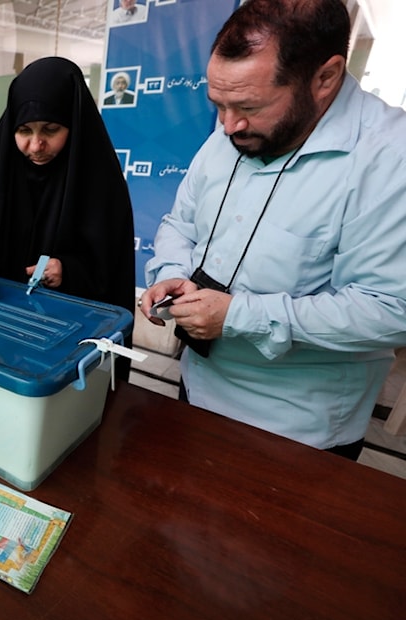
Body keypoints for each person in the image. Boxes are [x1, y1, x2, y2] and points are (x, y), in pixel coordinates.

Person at [139, 0, 406, 457]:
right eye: (218, 105)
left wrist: (239, 317)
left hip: (296, 428)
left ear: (325, 78)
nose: (227, 126)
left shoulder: (388, 158)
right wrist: (171, 270)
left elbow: (390, 309)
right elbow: (180, 224)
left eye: (247, 106)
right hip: (196, 387)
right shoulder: (233, 131)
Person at [0, 57, 135, 312]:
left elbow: (112, 268)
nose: (35, 146)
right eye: (23, 130)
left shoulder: (100, 184)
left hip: (63, 328)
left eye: (51, 130)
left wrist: (69, 270)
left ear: (75, 124)